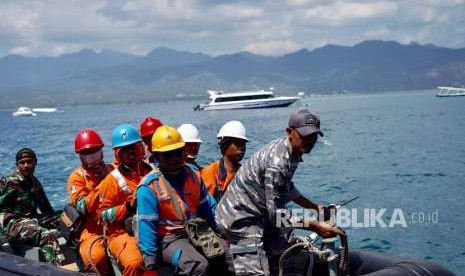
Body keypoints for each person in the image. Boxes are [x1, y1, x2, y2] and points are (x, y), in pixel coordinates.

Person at [215, 108, 343, 276]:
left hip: (262, 215)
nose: (310, 141)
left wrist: (313, 207)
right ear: (290, 132)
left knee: (285, 261)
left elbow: (286, 187)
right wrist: (315, 226)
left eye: (314, 136)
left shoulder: (292, 151)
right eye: (305, 135)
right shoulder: (278, 162)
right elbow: (278, 216)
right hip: (241, 220)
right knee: (255, 273)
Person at [136, 125, 217, 276]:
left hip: (196, 231)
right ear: (157, 156)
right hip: (169, 240)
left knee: (228, 257)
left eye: (178, 153)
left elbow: (210, 209)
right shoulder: (149, 187)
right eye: (167, 155)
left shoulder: (194, 176)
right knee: (197, 266)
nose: (174, 158)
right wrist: (150, 265)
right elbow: (147, 226)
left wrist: (224, 234)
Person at [97, 124, 154, 276]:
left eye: (133, 146)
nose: (130, 151)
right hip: (121, 232)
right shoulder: (111, 181)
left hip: (152, 225)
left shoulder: (152, 171)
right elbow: (101, 215)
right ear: (118, 153)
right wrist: (128, 207)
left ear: (140, 147)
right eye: (125, 149)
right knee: (135, 263)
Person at [0, 148, 65, 265]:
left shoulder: (35, 183)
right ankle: (58, 270)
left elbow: (47, 210)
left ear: (35, 163)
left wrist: (62, 219)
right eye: (22, 162)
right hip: (14, 224)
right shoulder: (9, 182)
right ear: (17, 165)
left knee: (66, 218)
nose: (26, 165)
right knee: (46, 235)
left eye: (29, 162)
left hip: (32, 221)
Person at [67, 129, 114, 274]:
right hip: (92, 228)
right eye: (87, 153)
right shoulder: (77, 178)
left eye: (95, 151)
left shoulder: (113, 170)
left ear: (101, 151)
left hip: (116, 222)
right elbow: (83, 207)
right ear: (81, 156)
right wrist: (103, 185)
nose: (92, 156)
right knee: (95, 258)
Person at [201, 120, 248, 202]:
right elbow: (206, 206)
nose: (242, 148)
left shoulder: (245, 172)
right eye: (237, 143)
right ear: (225, 145)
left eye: (243, 144)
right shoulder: (211, 173)